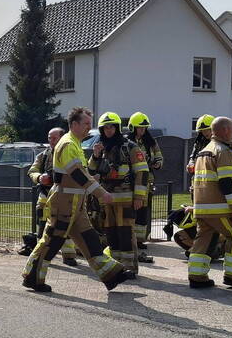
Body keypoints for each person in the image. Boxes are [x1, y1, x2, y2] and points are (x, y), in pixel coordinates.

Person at [23, 107, 133, 293]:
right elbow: (78, 175)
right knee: (51, 242)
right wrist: (101, 193)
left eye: (90, 124)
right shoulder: (68, 144)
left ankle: (112, 274)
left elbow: (83, 174)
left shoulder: (74, 144)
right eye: (86, 124)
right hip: (64, 203)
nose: (89, 128)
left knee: (90, 240)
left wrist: (95, 179)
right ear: (74, 125)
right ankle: (32, 277)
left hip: (75, 205)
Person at [188, 116, 232, 289]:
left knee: (204, 239)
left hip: (203, 208)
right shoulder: (223, 151)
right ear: (224, 130)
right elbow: (226, 183)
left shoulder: (204, 150)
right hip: (221, 208)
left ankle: (197, 276)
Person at [88, 112, 149, 274]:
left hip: (126, 198)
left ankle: (129, 267)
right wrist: (95, 155)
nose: (108, 131)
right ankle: (116, 266)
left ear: (117, 128)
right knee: (111, 233)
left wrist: (139, 197)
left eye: (111, 127)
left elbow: (142, 172)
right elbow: (91, 171)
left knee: (126, 232)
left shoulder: (130, 147)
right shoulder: (100, 147)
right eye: (105, 128)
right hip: (106, 199)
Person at [20, 127, 77, 266]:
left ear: (62, 138)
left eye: (54, 138)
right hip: (45, 197)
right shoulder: (43, 155)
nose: (51, 141)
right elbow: (32, 170)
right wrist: (39, 178)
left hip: (63, 197)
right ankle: (41, 256)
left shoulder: (70, 153)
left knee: (64, 225)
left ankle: (68, 256)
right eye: (49, 138)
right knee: (43, 227)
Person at [126, 111, 161, 263]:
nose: (142, 130)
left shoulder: (151, 142)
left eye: (144, 128)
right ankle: (130, 238)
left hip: (147, 181)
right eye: (140, 128)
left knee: (143, 211)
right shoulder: (127, 142)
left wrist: (157, 162)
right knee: (131, 210)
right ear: (132, 127)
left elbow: (159, 156)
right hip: (131, 181)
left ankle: (140, 239)